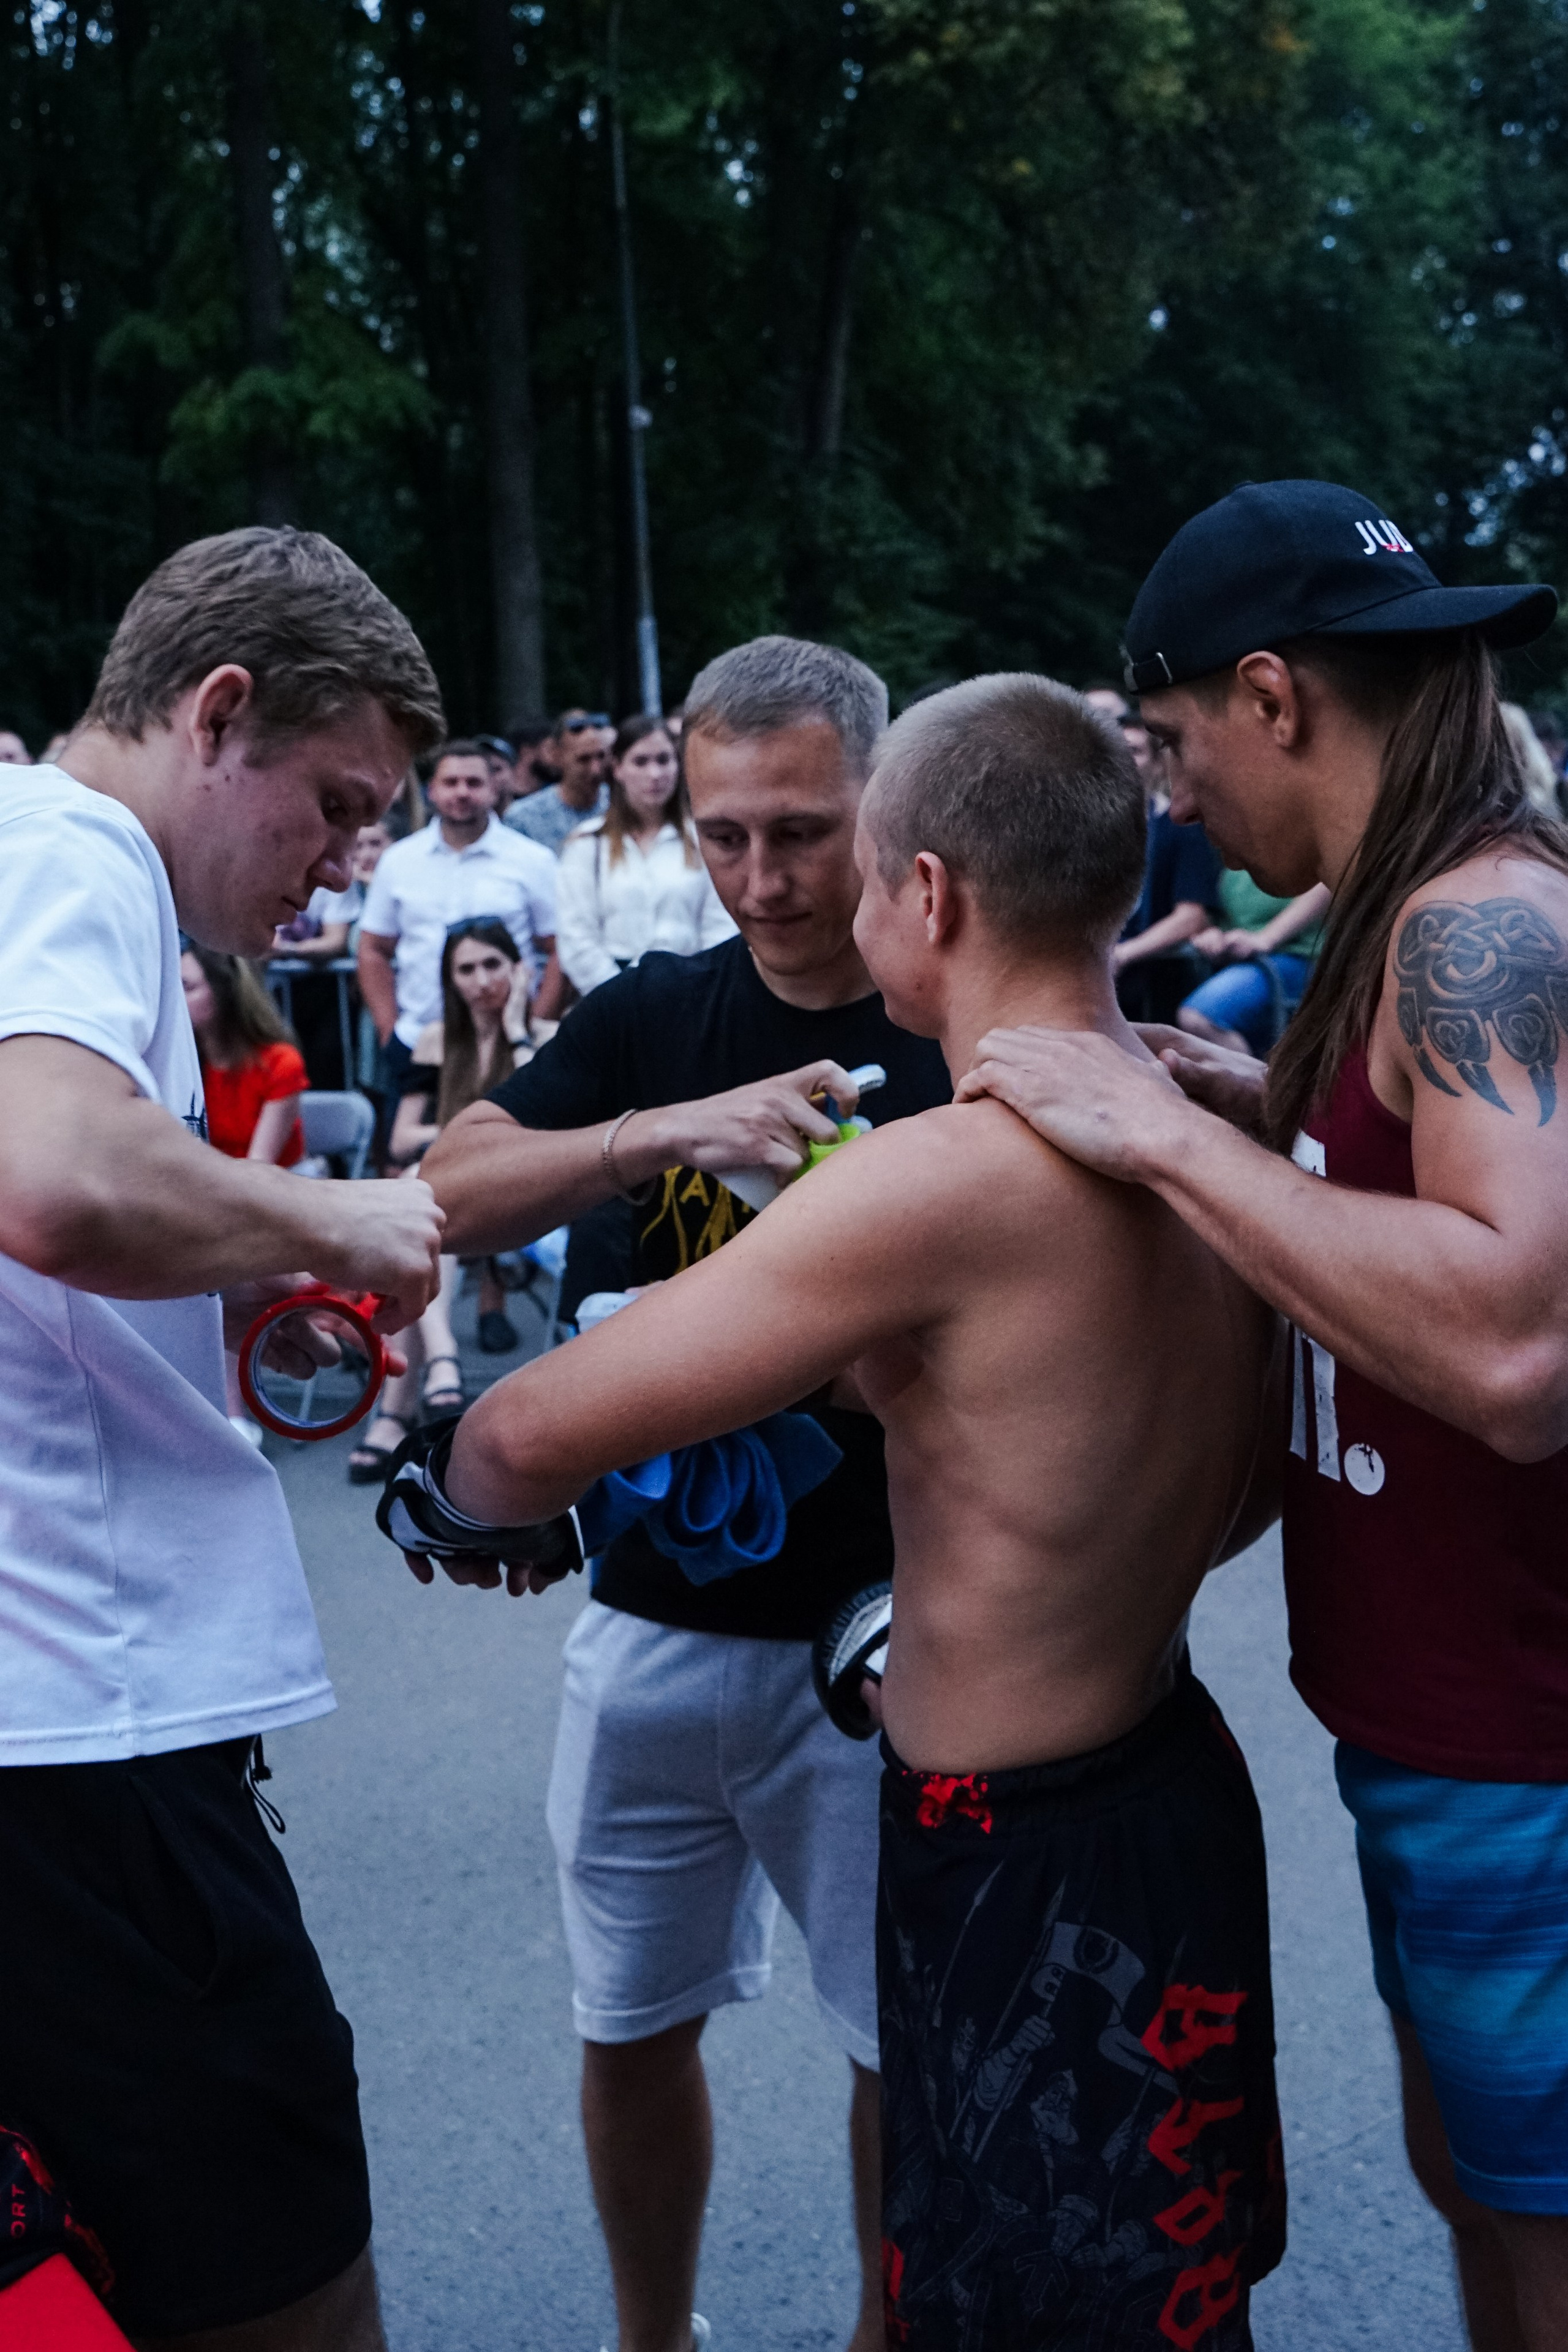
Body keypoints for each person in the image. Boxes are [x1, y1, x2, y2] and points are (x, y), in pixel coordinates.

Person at [402, 674, 1284, 2351]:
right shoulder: (1214, 1132)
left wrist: (446, 1493)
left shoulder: (936, 1172)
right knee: (1161, 2293)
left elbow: (525, 1435)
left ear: (925, 892)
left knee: (1020, 2305)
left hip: (1016, 1839)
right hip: (1170, 1786)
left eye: (842, 855)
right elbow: (1215, 1479)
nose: (768, 884)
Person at [958, 478, 1568, 2352]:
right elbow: (1422, 1203)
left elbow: (1517, 1347)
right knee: (1481, 2186)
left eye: (1166, 739)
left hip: (1527, 1755)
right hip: (1447, 1735)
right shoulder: (1399, 916)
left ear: (1270, 694)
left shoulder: (1484, 924)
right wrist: (1244, 1107)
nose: (1166, 794)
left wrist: (1155, 1135)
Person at [423, 635, 952, 2352]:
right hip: (649, 1625)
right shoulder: (660, 1010)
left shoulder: (954, 1023)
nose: (760, 877)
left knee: (900, 2041)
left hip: (890, 1641)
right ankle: (655, 2341)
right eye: (723, 833)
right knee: (629, 2019)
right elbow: (456, 1186)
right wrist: (664, 1131)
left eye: (801, 832)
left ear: (883, 807)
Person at [0, 524, 445, 2348]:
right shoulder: (71, 846)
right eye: (337, 803)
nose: (346, 865)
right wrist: (338, 1220)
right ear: (220, 711)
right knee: (278, 2275)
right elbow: (56, 1177)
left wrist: (233, 1271)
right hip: (82, 1734)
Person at [349, 920, 534, 1477]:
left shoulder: (541, 1037)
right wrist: (465, 1133)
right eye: (466, 969)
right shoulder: (435, 1041)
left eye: (493, 966)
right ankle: (438, 1367)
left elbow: (543, 1123)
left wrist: (519, 1026)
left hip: (526, 1194)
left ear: (517, 969)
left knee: (421, 1206)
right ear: (450, 979)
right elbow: (401, 1137)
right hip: (447, 1200)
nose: (481, 982)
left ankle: (396, 1410)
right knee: (424, 1212)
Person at [356, 737, 560, 1109]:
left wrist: (533, 1021)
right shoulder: (399, 861)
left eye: (474, 783)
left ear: (495, 787)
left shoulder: (533, 861)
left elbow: (559, 948)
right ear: (431, 789)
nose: (462, 793)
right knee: (413, 1158)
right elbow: (373, 949)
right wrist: (389, 1030)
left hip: (505, 1047)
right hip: (420, 1039)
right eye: (451, 783)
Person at [554, 715, 736, 995]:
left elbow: (721, 927)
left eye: (664, 760)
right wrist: (621, 997)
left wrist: (694, 988)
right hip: (612, 996)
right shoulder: (589, 844)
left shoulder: (705, 839)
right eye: (641, 762)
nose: (655, 775)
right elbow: (577, 936)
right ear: (617, 768)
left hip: (692, 990)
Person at [183, 947, 308, 1170]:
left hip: (273, 1190)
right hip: (213, 1187)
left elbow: (257, 1168)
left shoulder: (281, 1063)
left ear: (224, 994)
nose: (176, 999)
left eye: (188, 988)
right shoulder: (185, 1063)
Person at [1177, 876, 1332, 1055]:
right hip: (1245, 963)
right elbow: (1213, 914)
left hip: (1301, 958)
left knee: (1198, 1018)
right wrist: (1212, 934)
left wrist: (1267, 938)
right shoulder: (1231, 864)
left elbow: (1327, 882)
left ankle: (1254, 1081)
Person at [505, 707, 612, 853]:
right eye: (583, 760)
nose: (596, 769)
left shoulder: (620, 806)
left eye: (601, 757)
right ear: (557, 756)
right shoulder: (523, 818)